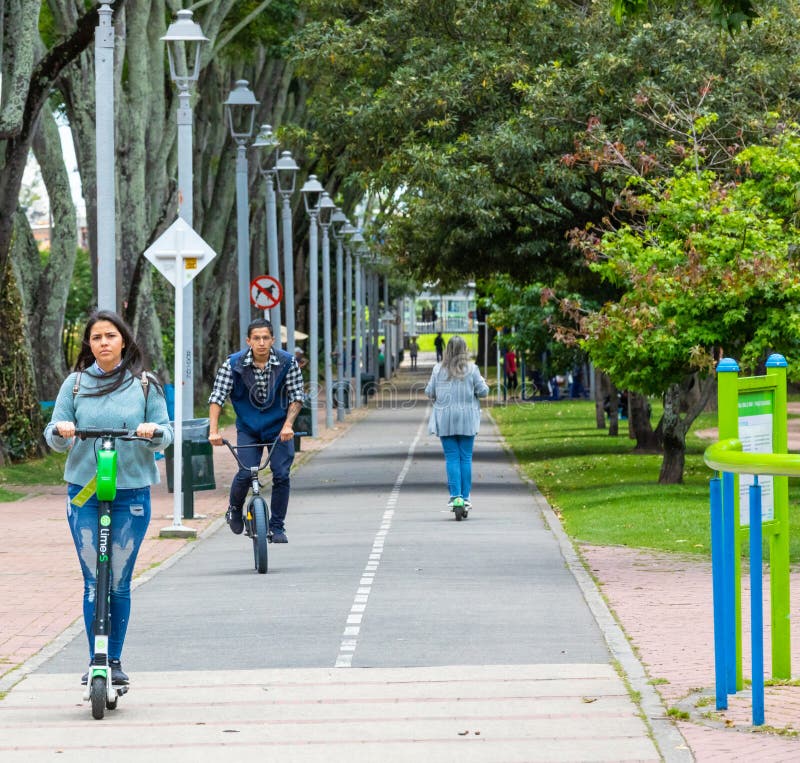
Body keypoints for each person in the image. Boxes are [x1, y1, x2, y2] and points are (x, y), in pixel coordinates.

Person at [44, 310, 173, 686]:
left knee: (117, 581)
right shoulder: (76, 384)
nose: (103, 343)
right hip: (84, 493)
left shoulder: (145, 385)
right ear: (90, 343)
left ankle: (113, 660)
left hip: (130, 493)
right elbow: (53, 434)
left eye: (110, 336)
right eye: (97, 337)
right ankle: (95, 659)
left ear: (123, 341)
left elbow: (166, 433)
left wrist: (151, 432)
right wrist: (63, 431)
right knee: (91, 581)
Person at [208, 318, 304, 543]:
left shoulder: (287, 362)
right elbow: (217, 397)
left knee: (281, 475)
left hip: (279, 429)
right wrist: (214, 430)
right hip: (248, 428)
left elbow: (297, 396)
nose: (261, 342)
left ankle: (277, 526)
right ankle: (234, 508)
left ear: (272, 340)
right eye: (256, 338)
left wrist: (288, 425)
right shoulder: (233, 364)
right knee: (246, 472)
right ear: (248, 341)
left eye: (266, 338)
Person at [425, 335, 489, 511]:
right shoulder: (472, 369)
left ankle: (455, 496)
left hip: (445, 418)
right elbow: (483, 392)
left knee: (452, 457)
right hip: (467, 418)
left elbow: (429, 392)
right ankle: (466, 497)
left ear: (447, 350)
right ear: (465, 350)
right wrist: (483, 383)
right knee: (466, 457)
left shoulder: (438, 369)